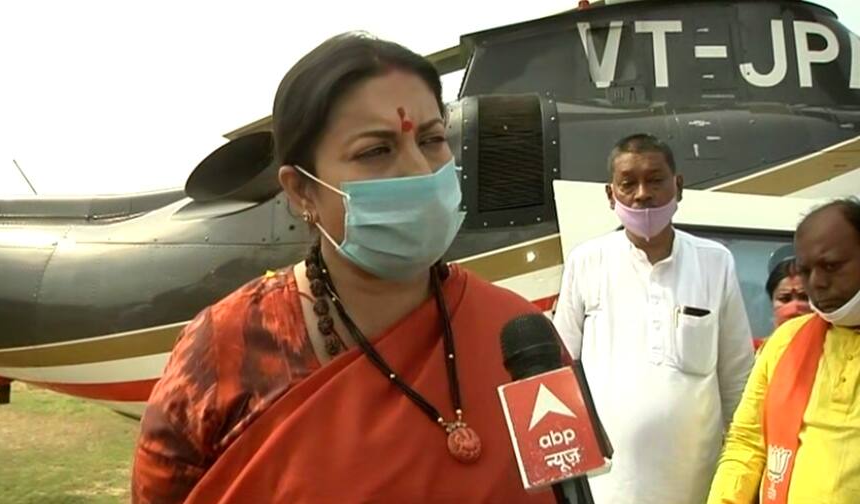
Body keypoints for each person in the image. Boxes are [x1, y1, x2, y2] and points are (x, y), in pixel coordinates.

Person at [131, 32, 557, 504]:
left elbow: (568, 484)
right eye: (375, 151)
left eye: (433, 140)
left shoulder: (519, 336)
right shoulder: (226, 349)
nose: (420, 170)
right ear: (301, 191)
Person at [552, 133, 755, 504]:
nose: (642, 194)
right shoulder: (587, 262)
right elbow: (559, 372)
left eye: (655, 180)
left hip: (698, 484)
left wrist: (742, 473)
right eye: (628, 184)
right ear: (610, 195)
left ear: (679, 186)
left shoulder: (715, 262)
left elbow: (737, 378)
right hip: (608, 487)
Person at [707, 198, 860, 504]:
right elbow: (747, 441)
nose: (817, 282)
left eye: (831, 266)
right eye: (806, 271)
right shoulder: (786, 341)